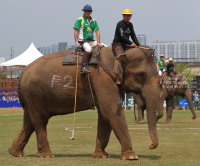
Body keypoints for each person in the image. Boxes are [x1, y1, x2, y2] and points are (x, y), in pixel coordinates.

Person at [112, 9, 145, 84]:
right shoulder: (120, 24)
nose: (127, 17)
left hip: (126, 45)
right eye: (125, 15)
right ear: (123, 16)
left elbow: (133, 35)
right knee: (120, 57)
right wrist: (131, 43)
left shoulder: (130, 25)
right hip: (118, 44)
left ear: (130, 17)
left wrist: (139, 45)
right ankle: (118, 77)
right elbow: (122, 36)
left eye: (128, 16)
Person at [73, 4, 102, 74]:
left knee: (104, 46)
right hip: (83, 41)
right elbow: (75, 31)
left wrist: (98, 41)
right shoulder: (80, 20)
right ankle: (83, 67)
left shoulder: (93, 21)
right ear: (83, 11)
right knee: (88, 49)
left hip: (91, 41)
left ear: (91, 12)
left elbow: (97, 31)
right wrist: (76, 42)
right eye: (85, 11)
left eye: (88, 11)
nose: (87, 12)